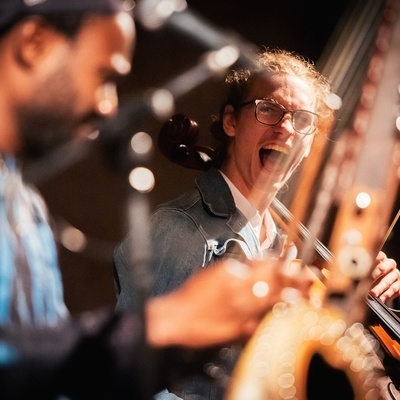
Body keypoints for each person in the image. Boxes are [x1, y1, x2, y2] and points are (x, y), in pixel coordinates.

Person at [0, 1, 318, 399]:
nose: (109, 106)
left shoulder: (23, 203)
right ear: (33, 43)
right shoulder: (177, 230)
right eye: (105, 76)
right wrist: (166, 323)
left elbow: (56, 366)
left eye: (303, 120)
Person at [114, 48, 400, 399]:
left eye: (303, 120)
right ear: (231, 122)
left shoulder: (288, 249)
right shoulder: (180, 230)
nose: (285, 129)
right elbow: (128, 381)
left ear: (309, 144)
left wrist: (362, 296)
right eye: (269, 109)